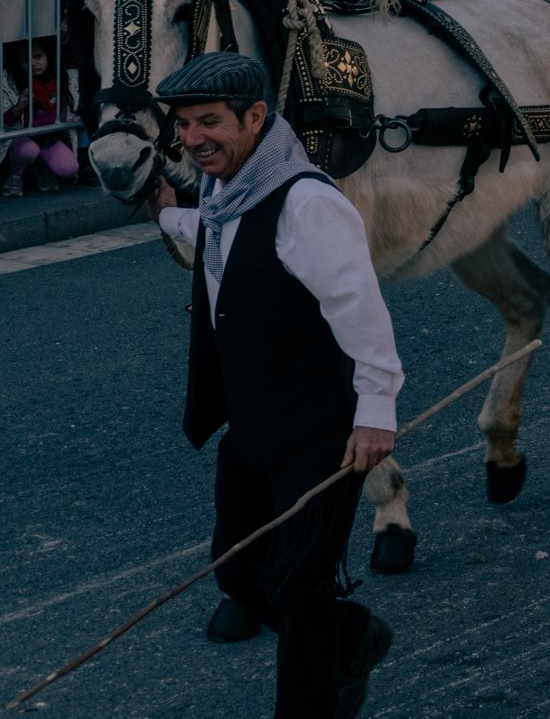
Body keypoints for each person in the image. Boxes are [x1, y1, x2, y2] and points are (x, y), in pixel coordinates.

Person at [144, 52, 402, 719]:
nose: (194, 137)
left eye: (210, 121)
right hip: (255, 428)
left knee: (301, 587)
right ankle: (351, 637)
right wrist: (169, 215)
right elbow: (222, 233)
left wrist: (376, 410)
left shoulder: (309, 203)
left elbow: (362, 308)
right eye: (184, 124)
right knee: (237, 570)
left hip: (321, 433)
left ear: (256, 117)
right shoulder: (228, 193)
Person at [3, 38, 78, 195]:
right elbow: (6, 124)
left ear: (48, 56)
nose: (33, 63)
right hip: (22, 140)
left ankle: (42, 168)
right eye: (26, 60)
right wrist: (17, 108)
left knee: (69, 169)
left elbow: (69, 111)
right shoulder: (13, 82)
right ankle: (14, 176)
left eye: (38, 57)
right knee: (28, 149)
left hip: (48, 139)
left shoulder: (60, 78)